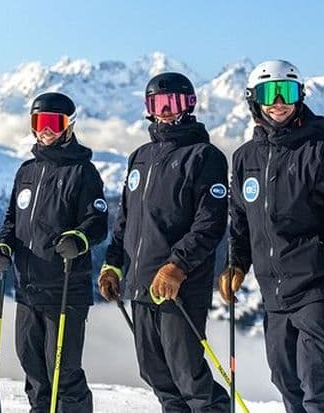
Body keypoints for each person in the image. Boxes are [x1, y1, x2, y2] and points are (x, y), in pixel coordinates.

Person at [218, 59, 324, 413]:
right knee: (287, 384)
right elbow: (241, 219)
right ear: (252, 99)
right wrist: (237, 264)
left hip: (319, 290)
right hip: (273, 295)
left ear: (300, 96)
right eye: (268, 93)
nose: (278, 101)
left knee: (320, 389)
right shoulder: (246, 158)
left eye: (286, 91)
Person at [98, 72, 231, 412]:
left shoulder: (204, 156)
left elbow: (210, 224)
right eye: (158, 104)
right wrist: (113, 264)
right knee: (157, 375)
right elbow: (125, 221)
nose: (167, 111)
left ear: (189, 106)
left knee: (190, 378)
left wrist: (177, 266)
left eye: (174, 103)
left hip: (179, 287)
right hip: (141, 284)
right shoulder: (140, 157)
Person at [0, 92, 108, 413]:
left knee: (64, 376)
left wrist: (79, 238)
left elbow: (98, 221)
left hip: (66, 290)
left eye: (54, 123)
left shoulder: (83, 172)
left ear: (68, 126)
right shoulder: (25, 172)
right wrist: (3, 244)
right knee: (35, 373)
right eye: (39, 123)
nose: (46, 131)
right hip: (27, 291)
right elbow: (12, 221)